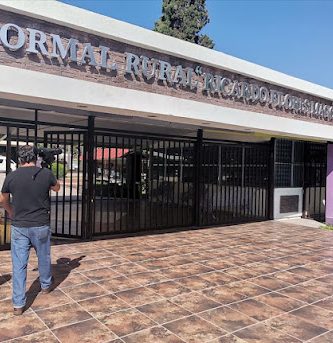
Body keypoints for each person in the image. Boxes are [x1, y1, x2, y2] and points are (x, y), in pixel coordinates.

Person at [0, 145, 60, 315]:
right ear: (35, 157)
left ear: (20, 159)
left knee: (19, 264)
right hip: (40, 224)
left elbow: (3, 200)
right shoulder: (46, 174)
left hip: (19, 226)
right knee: (44, 256)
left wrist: (11, 212)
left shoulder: (11, 176)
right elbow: (57, 188)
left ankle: (18, 304)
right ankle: (46, 285)